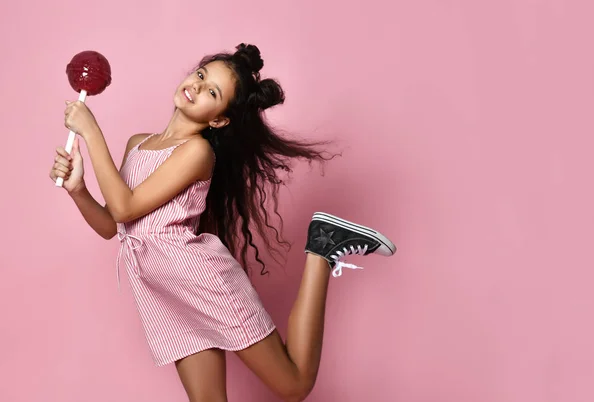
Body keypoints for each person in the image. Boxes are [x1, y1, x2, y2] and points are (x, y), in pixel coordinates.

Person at [49, 43, 396, 402]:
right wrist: (78, 190)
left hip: (200, 280)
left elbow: (125, 207)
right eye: (201, 76)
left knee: (294, 386)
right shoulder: (138, 144)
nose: (197, 87)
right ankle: (324, 246)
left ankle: (323, 248)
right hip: (164, 292)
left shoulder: (197, 152)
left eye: (212, 91)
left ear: (219, 119)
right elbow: (112, 224)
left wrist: (92, 133)